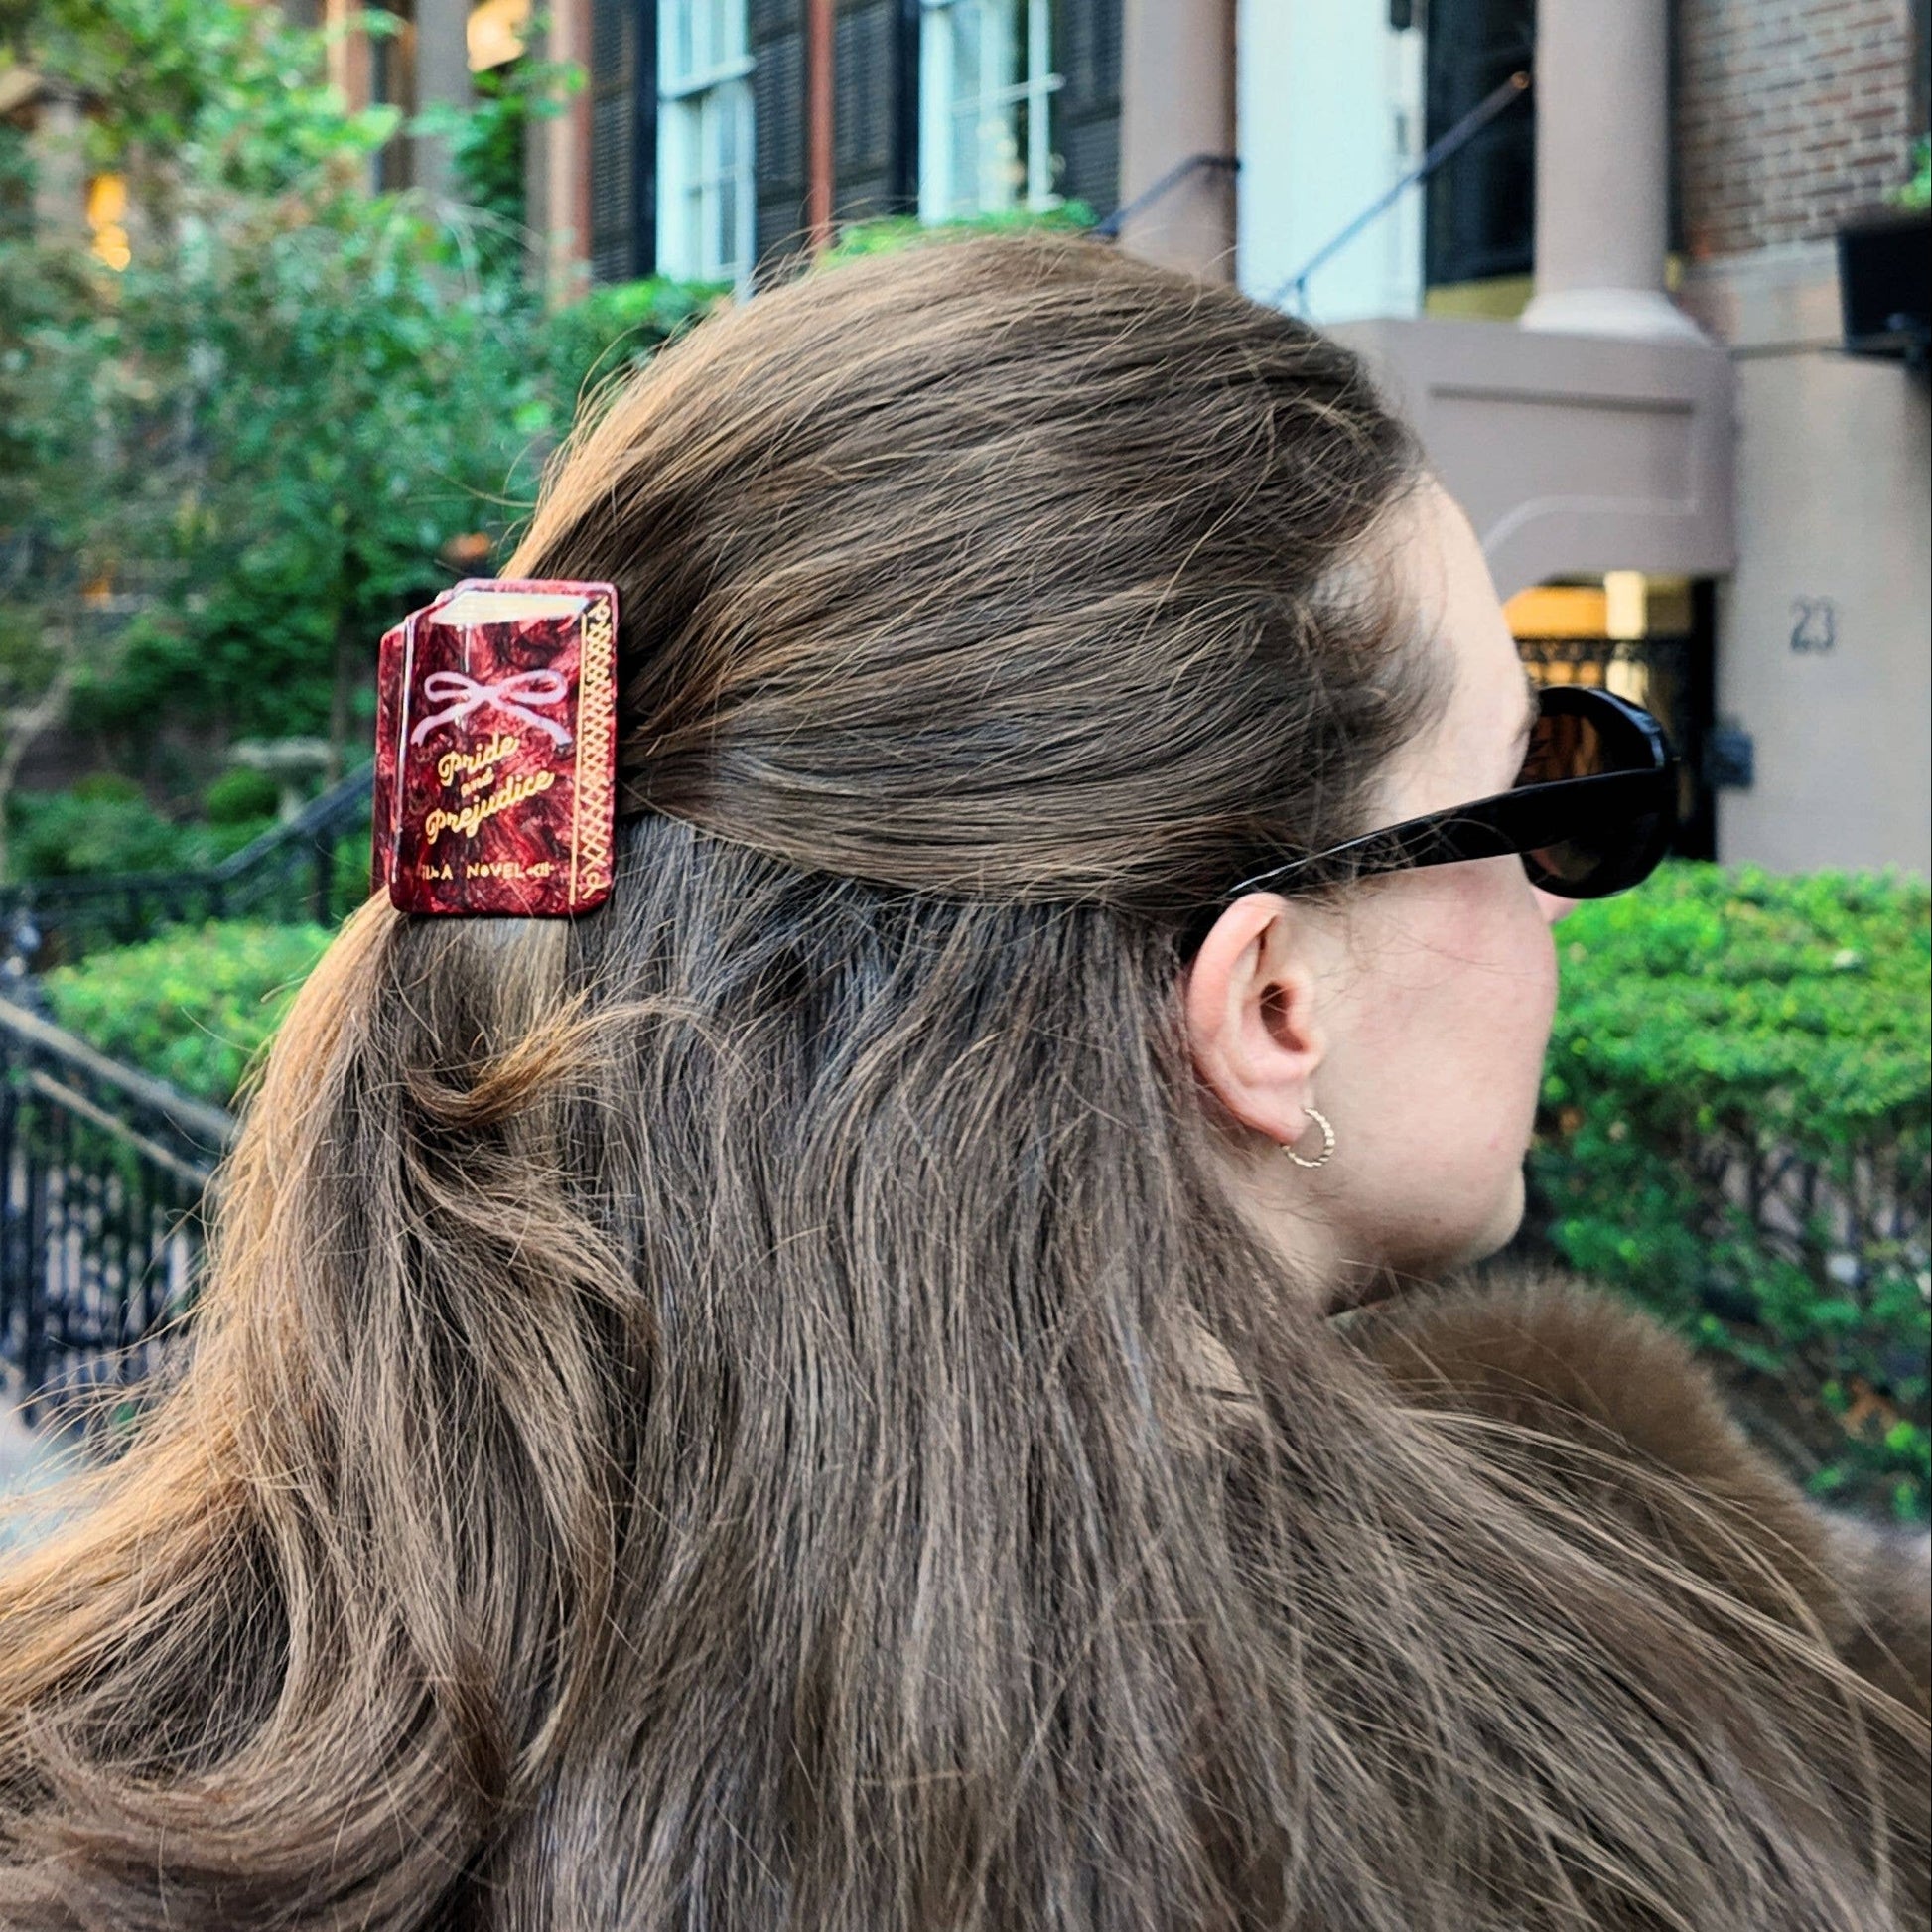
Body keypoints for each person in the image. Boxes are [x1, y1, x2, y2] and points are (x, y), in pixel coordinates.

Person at [0, 231, 1925, 1930]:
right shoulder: (1723, 1755)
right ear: (1269, 1002)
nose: (1559, 908)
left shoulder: (88, 1773)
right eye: (1548, 795)